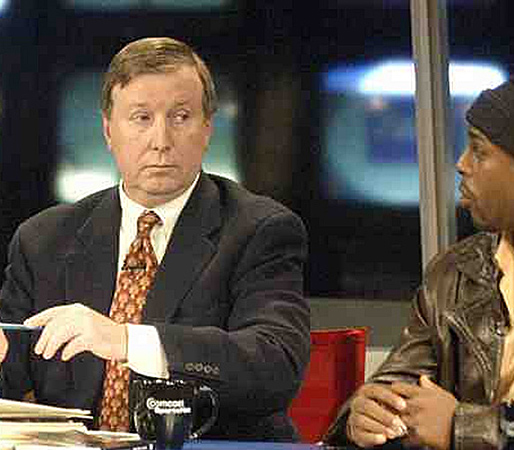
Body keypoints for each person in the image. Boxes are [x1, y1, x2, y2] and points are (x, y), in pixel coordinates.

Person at [0, 36, 310, 442]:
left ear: (207, 128)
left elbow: (276, 363)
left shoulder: (260, 230)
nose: (161, 140)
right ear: (108, 131)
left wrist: (126, 340)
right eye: (141, 117)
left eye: (180, 117)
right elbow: (10, 375)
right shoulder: (43, 240)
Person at [324, 69, 514, 449]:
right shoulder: (454, 273)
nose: (462, 163)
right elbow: (397, 388)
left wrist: (465, 427)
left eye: (479, 150)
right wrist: (364, 416)